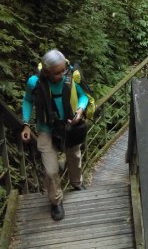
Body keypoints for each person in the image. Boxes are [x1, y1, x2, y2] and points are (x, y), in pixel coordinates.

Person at [21, 49, 89, 221]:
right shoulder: (34, 82)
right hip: (46, 129)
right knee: (51, 171)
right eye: (57, 73)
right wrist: (26, 124)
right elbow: (28, 100)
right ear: (46, 71)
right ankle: (56, 201)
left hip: (69, 127)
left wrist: (80, 110)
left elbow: (84, 97)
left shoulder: (72, 76)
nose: (62, 74)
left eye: (64, 70)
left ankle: (77, 183)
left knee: (74, 156)